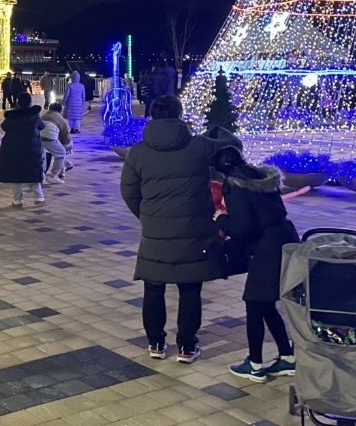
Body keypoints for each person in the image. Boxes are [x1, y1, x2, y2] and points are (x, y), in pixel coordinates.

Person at [120, 95, 240, 364]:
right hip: (194, 230)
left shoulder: (138, 151)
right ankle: (186, 346)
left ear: (151, 116)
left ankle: (156, 343)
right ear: (179, 114)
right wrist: (217, 132)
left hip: (154, 231)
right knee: (189, 288)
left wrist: (146, 215)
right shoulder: (198, 146)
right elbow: (234, 145)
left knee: (153, 287)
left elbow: (128, 191)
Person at [210, 146, 299, 382]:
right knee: (266, 303)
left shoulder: (233, 184)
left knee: (254, 303)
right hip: (286, 240)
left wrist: (222, 220)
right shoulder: (261, 177)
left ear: (223, 171)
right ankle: (287, 358)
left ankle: (255, 363)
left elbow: (241, 226)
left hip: (266, 247)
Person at [0, 92, 46, 207]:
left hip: (13, 148)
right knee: (32, 172)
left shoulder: (13, 116)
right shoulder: (34, 115)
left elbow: (4, 127)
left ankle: (17, 200)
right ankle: (39, 197)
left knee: (15, 174)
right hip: (31, 149)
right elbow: (42, 126)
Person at [40, 102, 71, 183]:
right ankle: (53, 176)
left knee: (41, 157)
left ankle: (41, 176)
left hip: (37, 138)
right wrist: (67, 148)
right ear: (60, 110)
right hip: (50, 137)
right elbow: (66, 137)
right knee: (61, 155)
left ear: (49, 109)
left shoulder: (43, 116)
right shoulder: (62, 120)